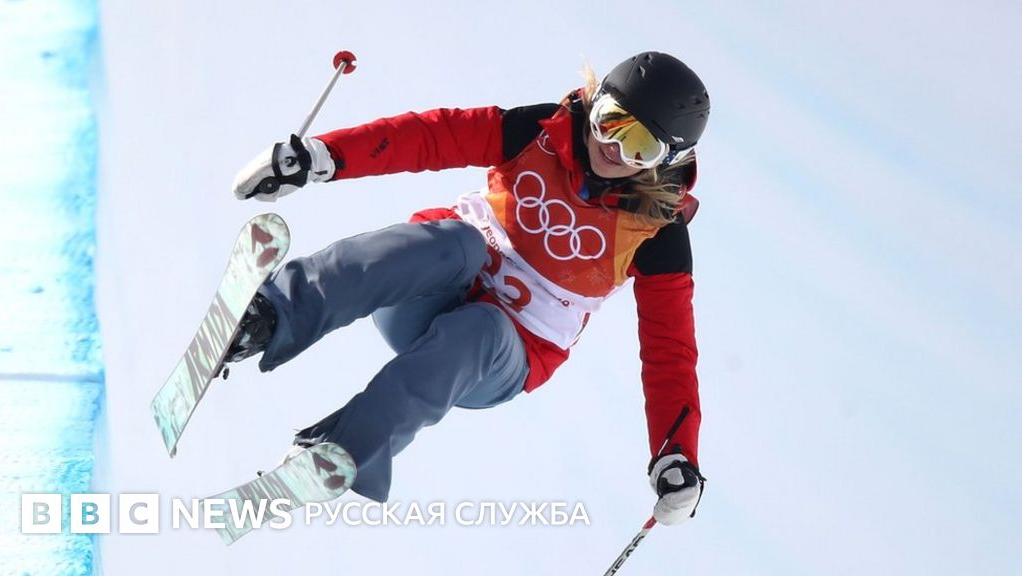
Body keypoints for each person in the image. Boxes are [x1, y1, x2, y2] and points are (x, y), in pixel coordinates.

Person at [228, 51, 709, 526]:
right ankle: (269, 317)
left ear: (666, 161)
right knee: (458, 243)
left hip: (501, 355)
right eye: (611, 122)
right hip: (424, 291)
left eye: (640, 147)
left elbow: (669, 350)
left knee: (481, 328)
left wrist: (677, 453)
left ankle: (335, 458)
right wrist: (324, 157)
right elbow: (432, 136)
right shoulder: (541, 132)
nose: (614, 148)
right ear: (596, 99)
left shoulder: (657, 231)